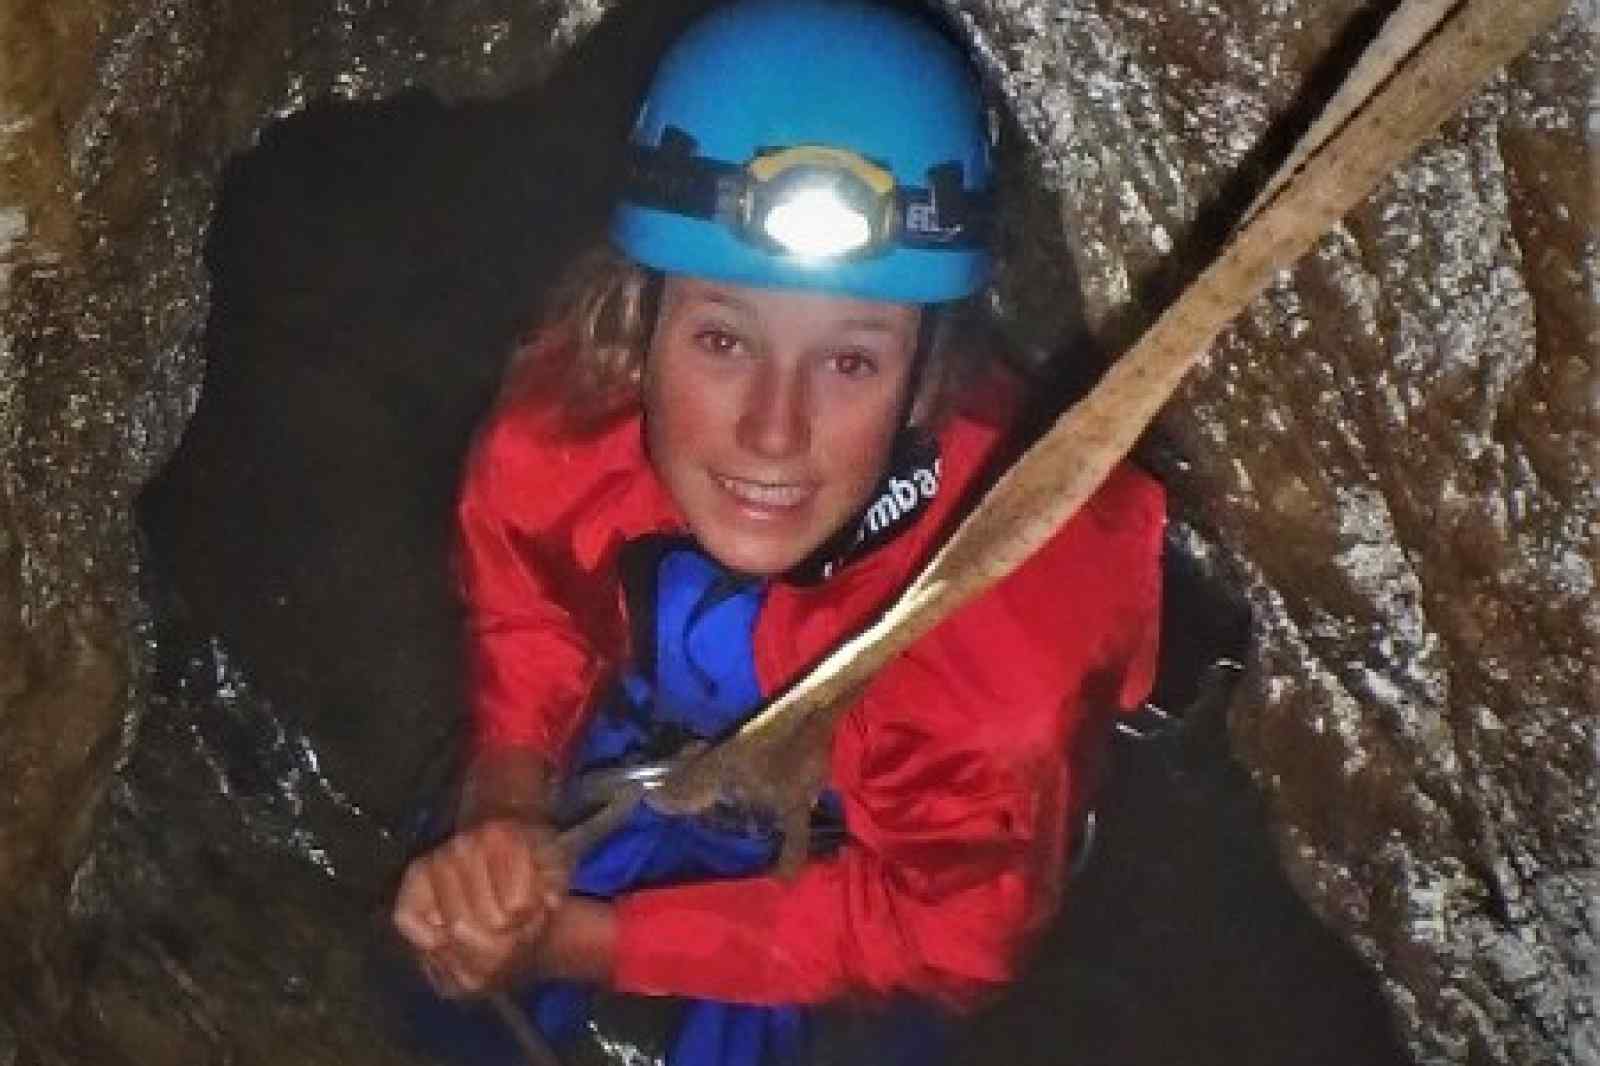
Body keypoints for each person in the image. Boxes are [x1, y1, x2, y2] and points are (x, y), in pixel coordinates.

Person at [391, 1, 1164, 1062]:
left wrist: (585, 943)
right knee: (449, 978)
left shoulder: (996, 643)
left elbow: (950, 935)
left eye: (849, 362)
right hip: (657, 737)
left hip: (894, 855)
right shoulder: (571, 419)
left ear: (924, 374)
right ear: (641, 320)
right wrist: (507, 808)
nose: (772, 428)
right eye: (721, 339)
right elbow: (530, 611)